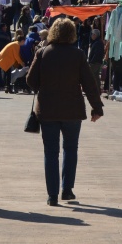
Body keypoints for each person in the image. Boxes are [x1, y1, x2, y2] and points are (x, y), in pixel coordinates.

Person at [26, 18, 103, 206]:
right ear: (72, 34)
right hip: (72, 110)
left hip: (47, 110)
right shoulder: (78, 54)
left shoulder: (43, 52)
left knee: (50, 152)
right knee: (70, 149)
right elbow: (89, 83)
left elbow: (30, 81)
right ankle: (67, 190)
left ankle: (52, 195)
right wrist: (97, 107)